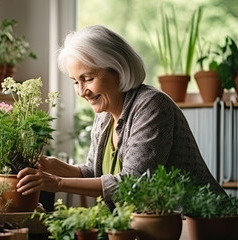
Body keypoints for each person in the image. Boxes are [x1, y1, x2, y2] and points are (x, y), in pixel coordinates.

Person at [16, 25, 225, 205]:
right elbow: (95, 174)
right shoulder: (104, 115)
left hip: (200, 224)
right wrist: (57, 167)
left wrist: (58, 183)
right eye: (75, 81)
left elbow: (133, 182)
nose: (81, 91)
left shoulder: (152, 105)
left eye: (87, 78)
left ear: (117, 69)